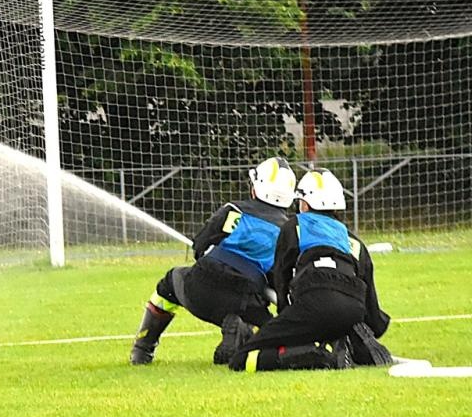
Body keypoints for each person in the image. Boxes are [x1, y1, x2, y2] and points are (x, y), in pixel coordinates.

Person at [129, 156, 297, 365]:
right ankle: (245, 330)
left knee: (169, 283)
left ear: (255, 187)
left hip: (201, 289)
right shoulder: (289, 232)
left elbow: (199, 247)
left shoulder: (233, 211)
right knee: (275, 333)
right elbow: (280, 281)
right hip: (245, 301)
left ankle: (142, 350)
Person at [224, 168, 393, 372]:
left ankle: (319, 356)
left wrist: (285, 315)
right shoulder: (354, 241)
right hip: (353, 308)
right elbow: (370, 298)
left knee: (242, 360)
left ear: (305, 203)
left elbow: (281, 276)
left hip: (315, 301)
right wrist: (374, 326)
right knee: (325, 325)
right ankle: (345, 341)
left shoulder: (295, 226)